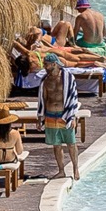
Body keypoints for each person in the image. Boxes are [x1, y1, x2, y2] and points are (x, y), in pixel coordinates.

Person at [38, 52, 80, 180]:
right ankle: (61, 170)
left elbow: (73, 97)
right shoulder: (45, 80)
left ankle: (75, 168)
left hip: (65, 114)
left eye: (46, 64)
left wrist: (72, 116)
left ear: (54, 64)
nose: (44, 67)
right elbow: (43, 98)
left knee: (71, 143)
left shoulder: (67, 78)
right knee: (56, 145)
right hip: (50, 114)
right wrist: (40, 118)